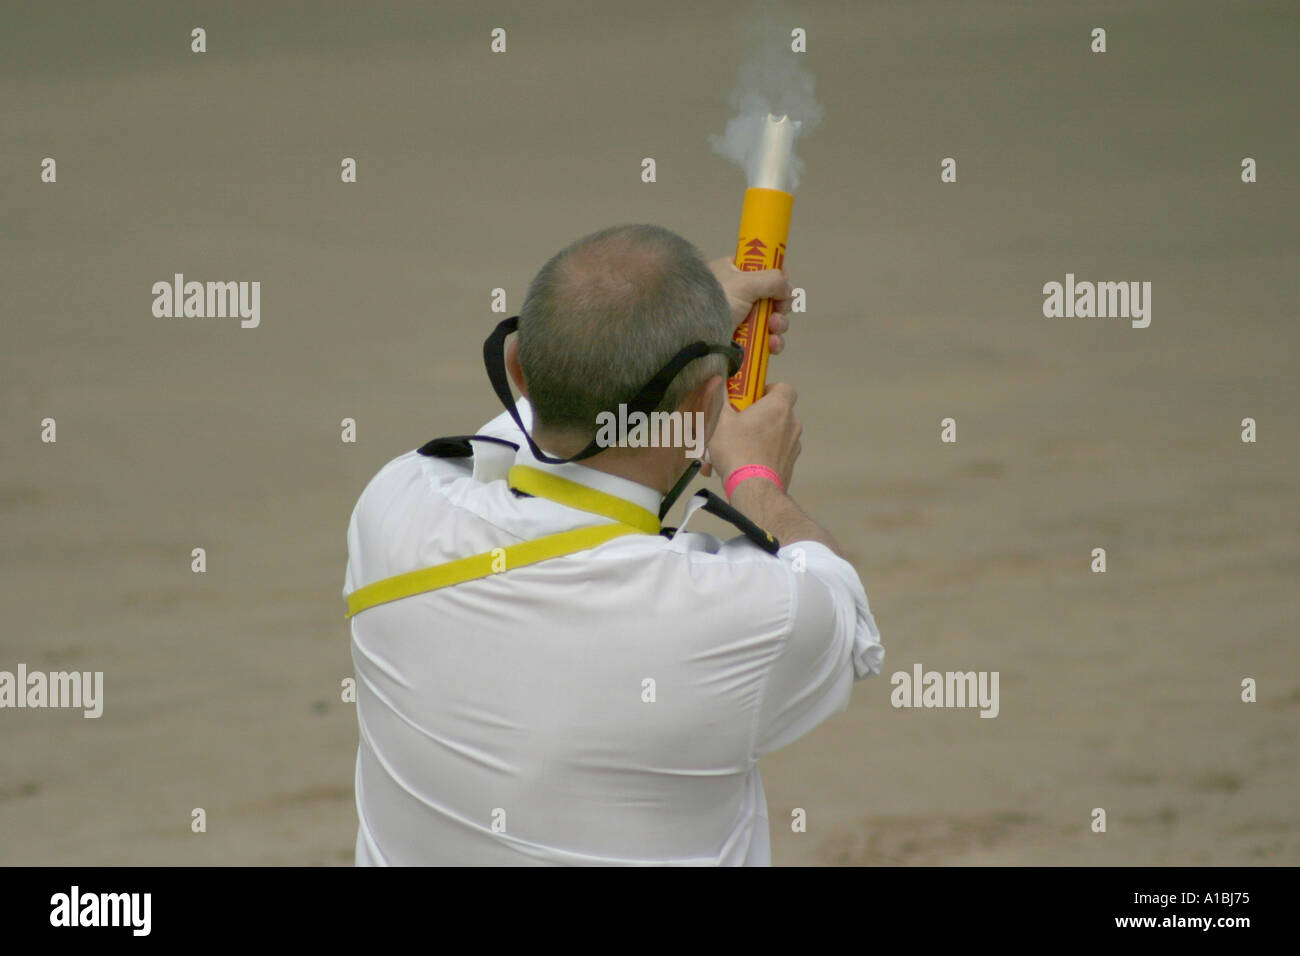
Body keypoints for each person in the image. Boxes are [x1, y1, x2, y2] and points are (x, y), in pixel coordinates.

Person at [343, 223, 883, 865]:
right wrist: (754, 474)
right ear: (707, 402)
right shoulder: (748, 614)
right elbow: (838, 604)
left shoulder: (396, 500)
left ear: (516, 369)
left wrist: (663, 326)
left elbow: (543, 423)